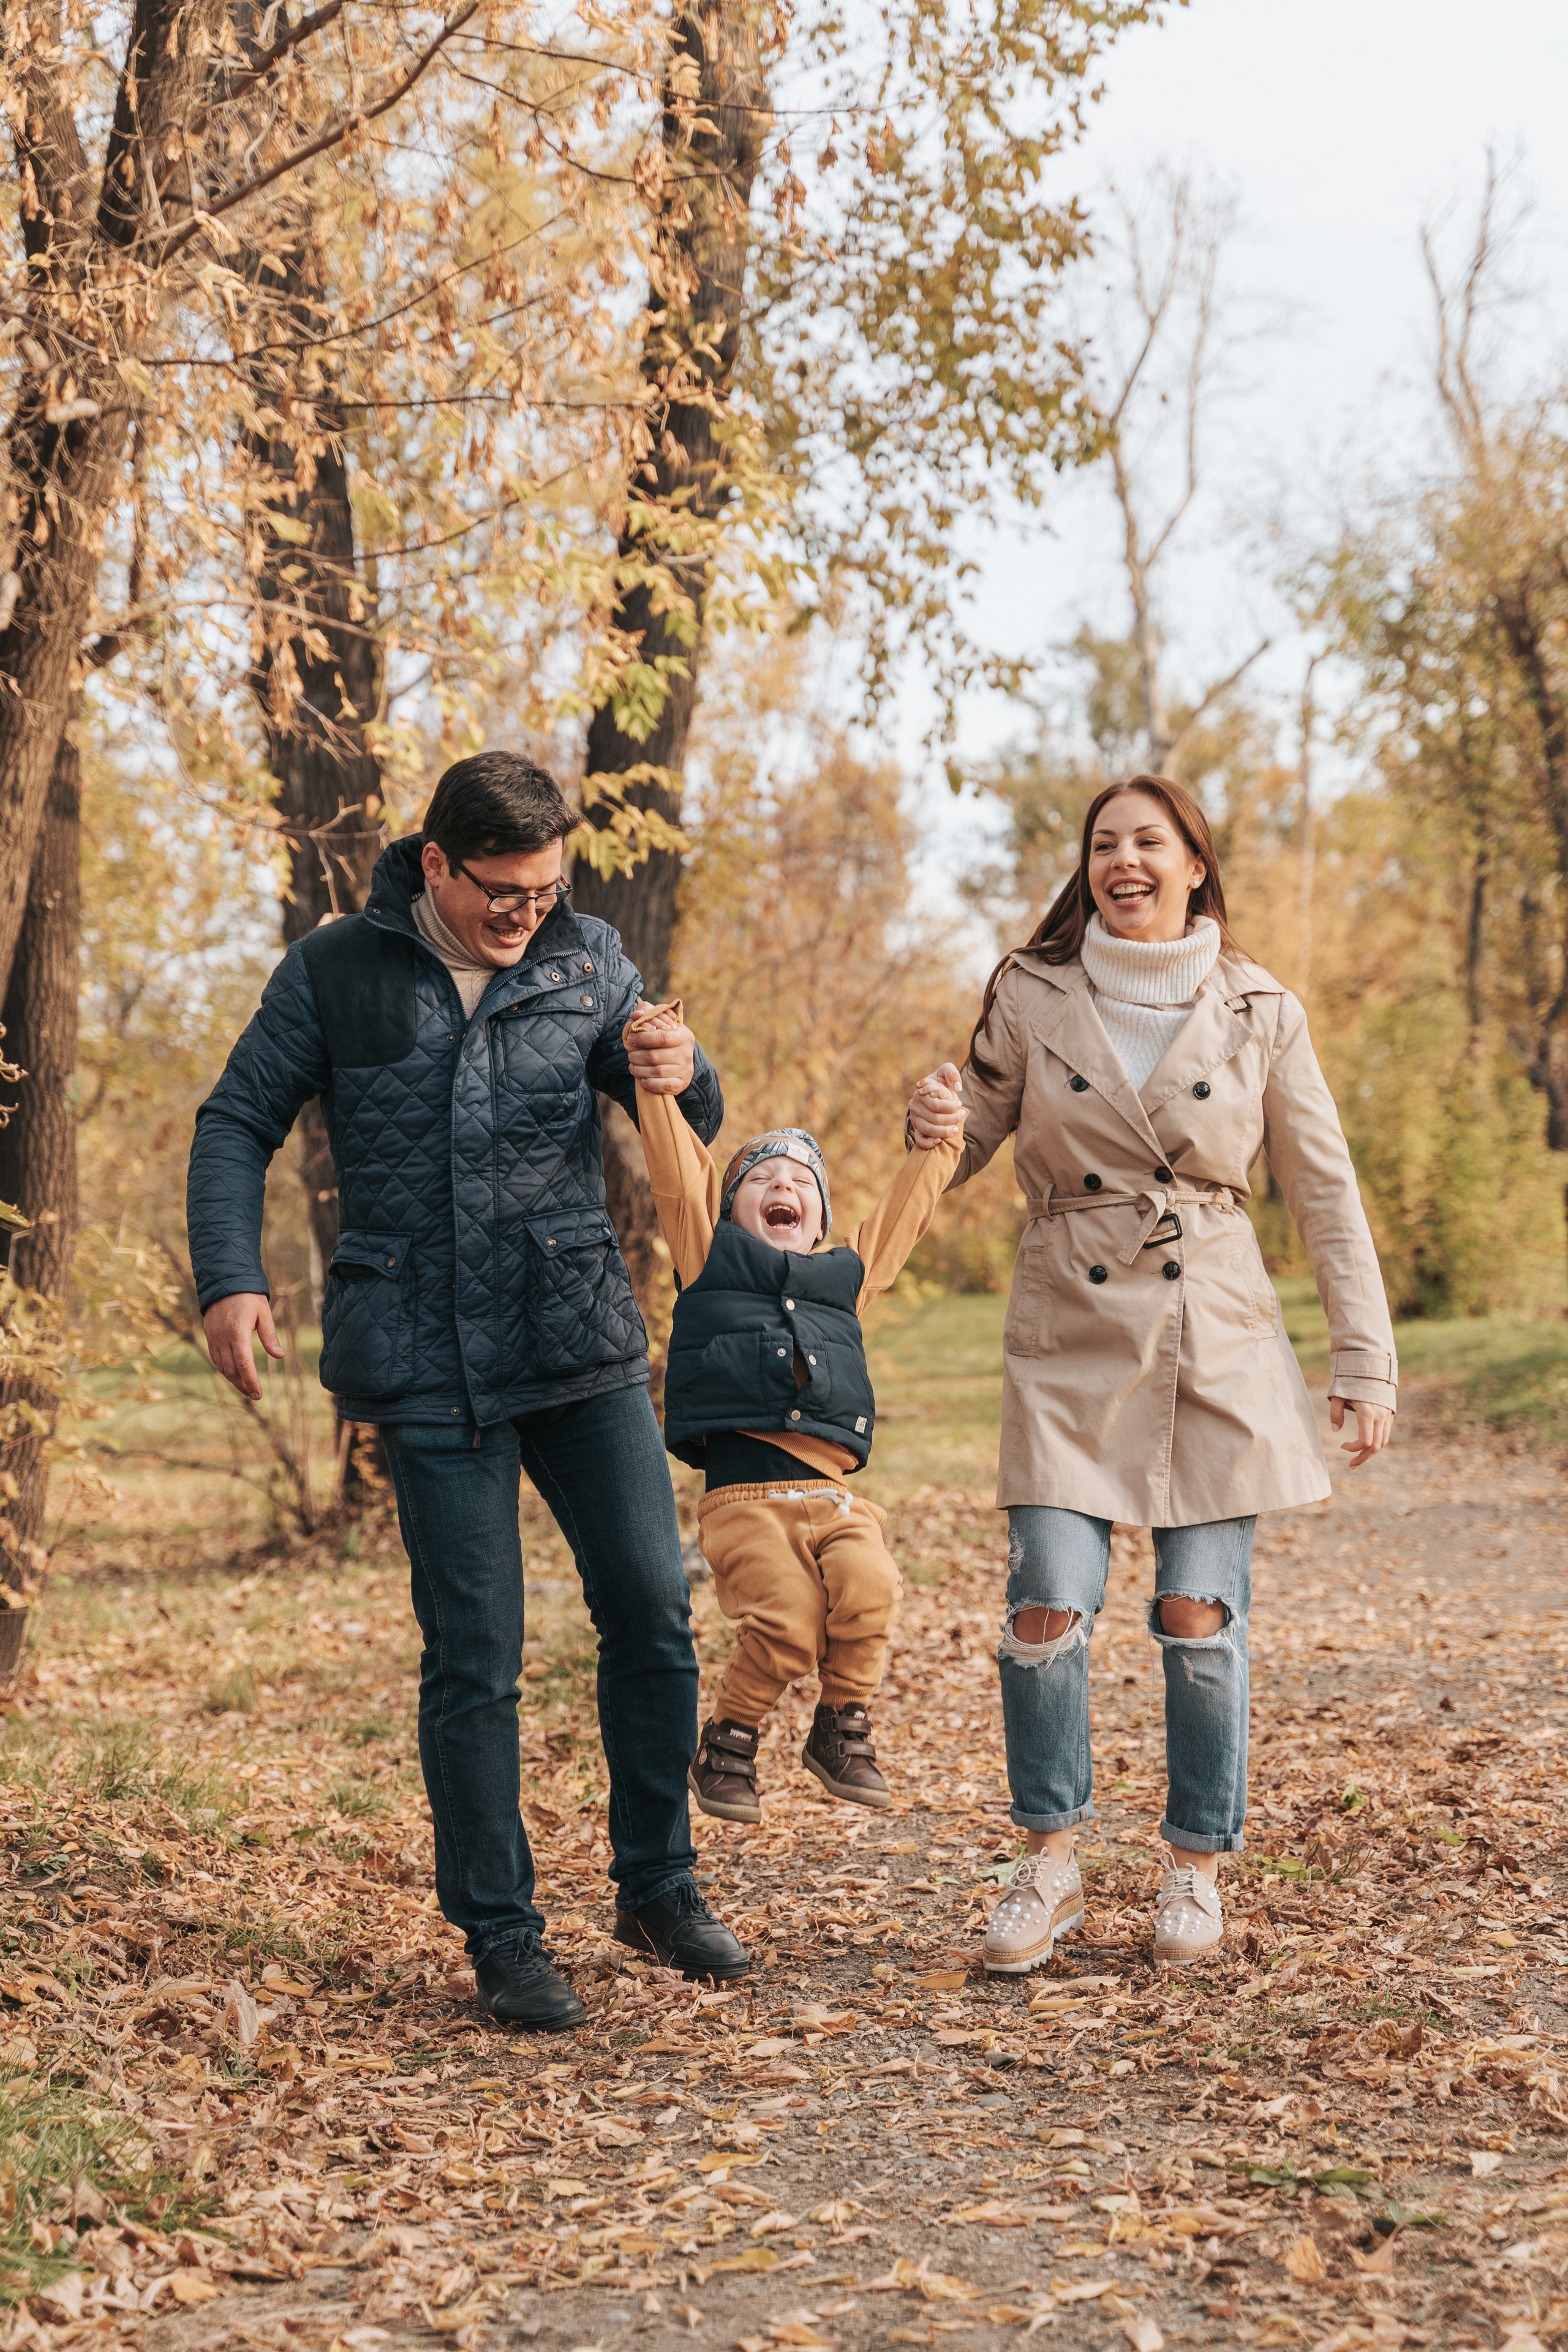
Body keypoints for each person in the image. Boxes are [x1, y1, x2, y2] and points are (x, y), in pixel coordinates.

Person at [187, 753, 750, 2032]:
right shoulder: (336, 970)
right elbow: (234, 1123)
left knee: (654, 1616)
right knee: (476, 1657)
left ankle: (656, 1884)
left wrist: (682, 1065)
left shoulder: (587, 957)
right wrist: (230, 1278)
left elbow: (689, 1115)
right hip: (422, 1354)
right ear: (435, 863)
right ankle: (501, 1936)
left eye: (545, 891)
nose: (525, 916)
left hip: (577, 1339)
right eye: (502, 892)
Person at [907, 773, 1396, 1970]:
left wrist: (1362, 1358)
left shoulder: (1257, 1009)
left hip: (1211, 1331)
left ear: (1191, 864)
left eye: (1147, 842)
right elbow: (967, 1136)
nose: (1122, 860)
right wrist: (930, 1122)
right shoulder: (1029, 993)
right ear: (1086, 868)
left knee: (1198, 1614)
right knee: (1043, 1609)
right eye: (1102, 843)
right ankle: (1047, 1866)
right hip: (1067, 1326)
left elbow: (1323, 1192)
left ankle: (1192, 1868)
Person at [626, 1001, 967, 1824]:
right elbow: (677, 1169)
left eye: (802, 1184)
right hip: (745, 1504)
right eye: (763, 1181)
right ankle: (730, 1743)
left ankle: (840, 1725)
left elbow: (906, 1214)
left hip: (836, 1500)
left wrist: (940, 1140)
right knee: (785, 1624)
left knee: (873, 1590)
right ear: (731, 1208)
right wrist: (654, 1078)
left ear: (818, 1221)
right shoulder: (709, 1258)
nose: (786, 1187)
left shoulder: (844, 1277)